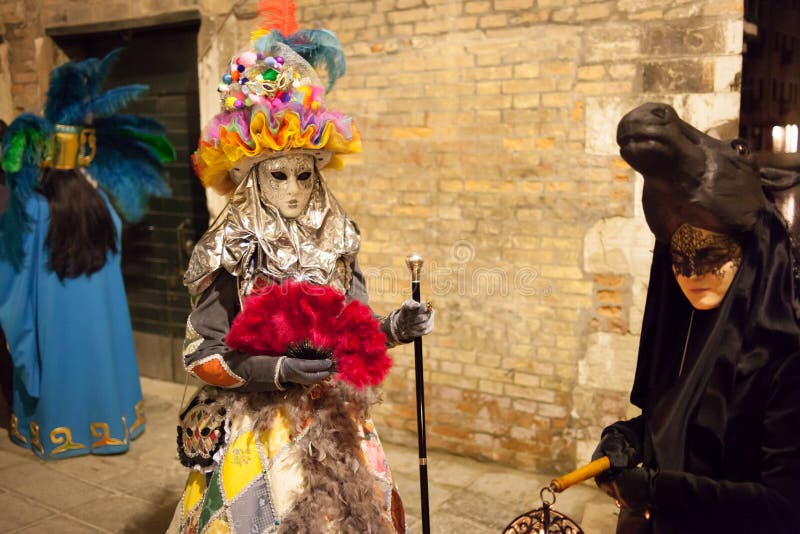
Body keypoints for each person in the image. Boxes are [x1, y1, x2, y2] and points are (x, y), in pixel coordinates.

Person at [169, 5, 434, 533]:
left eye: (303, 176)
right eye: (278, 176)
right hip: (259, 431)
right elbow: (200, 353)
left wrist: (393, 329)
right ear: (252, 178)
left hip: (337, 426)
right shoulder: (232, 248)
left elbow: (353, 334)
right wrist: (275, 370)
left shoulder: (336, 241)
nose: (293, 191)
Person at [591, 102, 800, 533]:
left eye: (711, 256)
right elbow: (680, 424)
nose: (692, 276)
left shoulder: (788, 365)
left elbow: (783, 505)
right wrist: (625, 440)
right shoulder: (688, 333)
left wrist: (659, 491)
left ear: (751, 258)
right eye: (679, 261)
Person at [0, 50, 173, 458]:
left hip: (55, 325)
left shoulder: (33, 211)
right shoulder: (103, 207)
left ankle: (62, 427)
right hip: (99, 321)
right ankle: (110, 424)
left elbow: (12, 280)